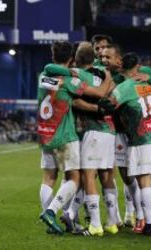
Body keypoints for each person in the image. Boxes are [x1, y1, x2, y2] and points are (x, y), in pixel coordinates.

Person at [38, 41, 112, 235]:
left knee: (48, 178)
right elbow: (100, 92)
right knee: (74, 178)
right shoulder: (70, 79)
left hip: (45, 134)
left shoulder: (43, 76)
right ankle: (51, 212)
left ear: (53, 55)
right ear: (71, 59)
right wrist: (107, 75)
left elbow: (66, 92)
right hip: (64, 135)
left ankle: (50, 220)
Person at [103, 52, 151, 236]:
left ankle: (148, 225)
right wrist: (150, 77)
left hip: (140, 138)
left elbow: (109, 104)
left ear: (123, 67)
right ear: (137, 67)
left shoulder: (124, 87)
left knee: (143, 182)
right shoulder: (145, 82)